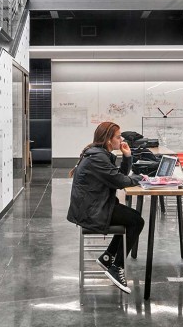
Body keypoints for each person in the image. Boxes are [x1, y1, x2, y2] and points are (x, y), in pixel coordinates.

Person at [66, 121, 145, 294]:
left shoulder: (99, 154)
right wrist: (140, 179)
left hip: (93, 206)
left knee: (132, 217)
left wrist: (127, 157)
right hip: (91, 212)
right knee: (136, 221)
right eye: (118, 136)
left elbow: (118, 177)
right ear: (109, 140)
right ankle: (116, 267)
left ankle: (108, 256)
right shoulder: (98, 158)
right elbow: (121, 181)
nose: (121, 139)